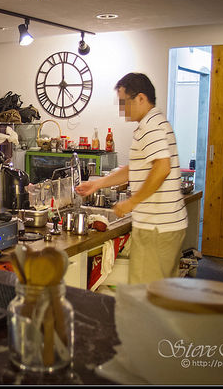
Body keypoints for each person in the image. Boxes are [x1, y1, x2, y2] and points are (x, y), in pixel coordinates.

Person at [75, 72, 188, 284]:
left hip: (156, 227)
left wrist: (131, 202)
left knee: (146, 295)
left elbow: (162, 168)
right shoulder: (155, 122)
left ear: (141, 98)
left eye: (124, 102)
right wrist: (97, 184)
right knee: (161, 293)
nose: (122, 110)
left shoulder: (151, 127)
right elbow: (135, 169)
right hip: (165, 225)